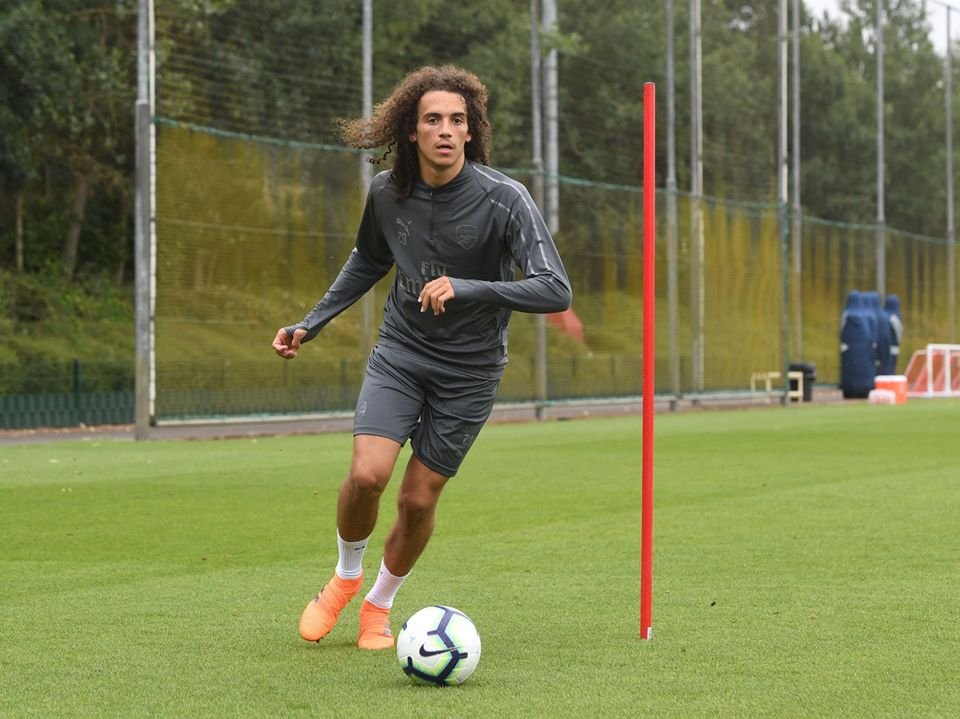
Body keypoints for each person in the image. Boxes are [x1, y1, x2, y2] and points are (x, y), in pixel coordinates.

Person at [272, 65, 571, 650]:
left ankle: (378, 609)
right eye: (432, 119)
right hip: (402, 353)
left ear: (471, 131)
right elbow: (368, 260)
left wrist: (472, 287)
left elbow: (554, 288)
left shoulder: (506, 199)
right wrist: (311, 322)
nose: (444, 130)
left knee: (416, 499)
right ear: (410, 130)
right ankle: (345, 578)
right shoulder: (386, 191)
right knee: (366, 476)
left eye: (457, 120)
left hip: (470, 372)